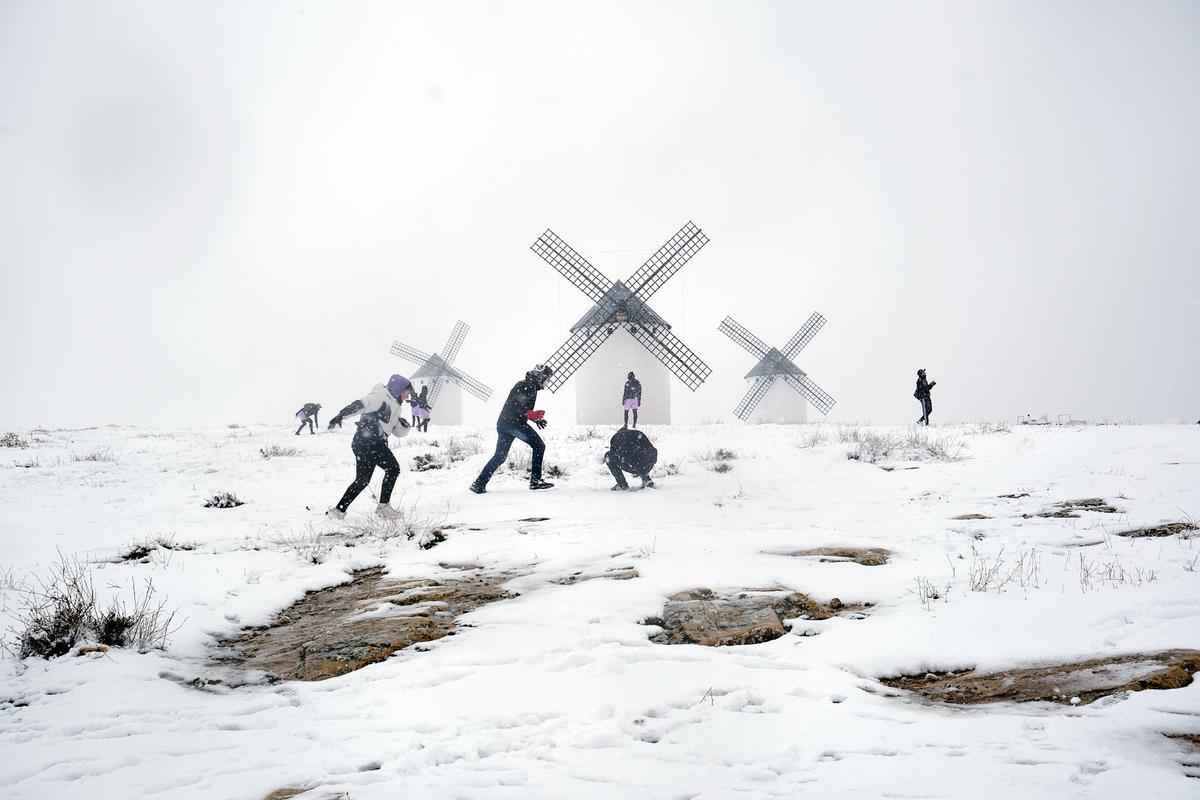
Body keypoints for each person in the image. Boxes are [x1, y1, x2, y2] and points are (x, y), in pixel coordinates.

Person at [324, 374, 413, 520]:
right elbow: (360, 404)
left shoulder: (396, 406)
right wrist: (341, 415)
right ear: (398, 389)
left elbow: (395, 431)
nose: (407, 396)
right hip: (370, 441)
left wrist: (404, 427)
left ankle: (337, 512)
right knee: (393, 469)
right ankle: (383, 508)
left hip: (365, 443)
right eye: (406, 392)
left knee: (362, 481)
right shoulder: (380, 396)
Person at [470, 365, 555, 494]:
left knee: (500, 456)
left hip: (504, 424)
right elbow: (516, 406)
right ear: (541, 376)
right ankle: (535, 481)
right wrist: (529, 414)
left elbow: (518, 408)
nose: (547, 382)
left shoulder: (526, 385)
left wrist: (535, 419)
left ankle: (479, 483)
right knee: (539, 445)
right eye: (547, 378)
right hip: (514, 424)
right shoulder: (528, 386)